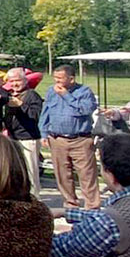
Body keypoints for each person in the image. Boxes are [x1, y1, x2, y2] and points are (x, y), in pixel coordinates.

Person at [38, 66, 101, 211]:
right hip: (57, 139)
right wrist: (43, 133)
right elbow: (45, 113)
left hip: (80, 139)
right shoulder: (51, 91)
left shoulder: (84, 92)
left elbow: (85, 110)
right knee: (62, 174)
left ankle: (92, 206)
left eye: (60, 78)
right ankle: (70, 204)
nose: (56, 81)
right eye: (55, 78)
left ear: (71, 79)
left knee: (87, 174)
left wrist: (66, 95)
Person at [0, 68, 45, 193]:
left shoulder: (32, 95)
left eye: (18, 81)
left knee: (30, 171)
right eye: (12, 81)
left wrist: (21, 105)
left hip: (28, 138)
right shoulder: (9, 95)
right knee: (14, 171)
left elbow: (35, 115)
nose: (15, 84)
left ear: (25, 80)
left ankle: (34, 200)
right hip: (12, 137)